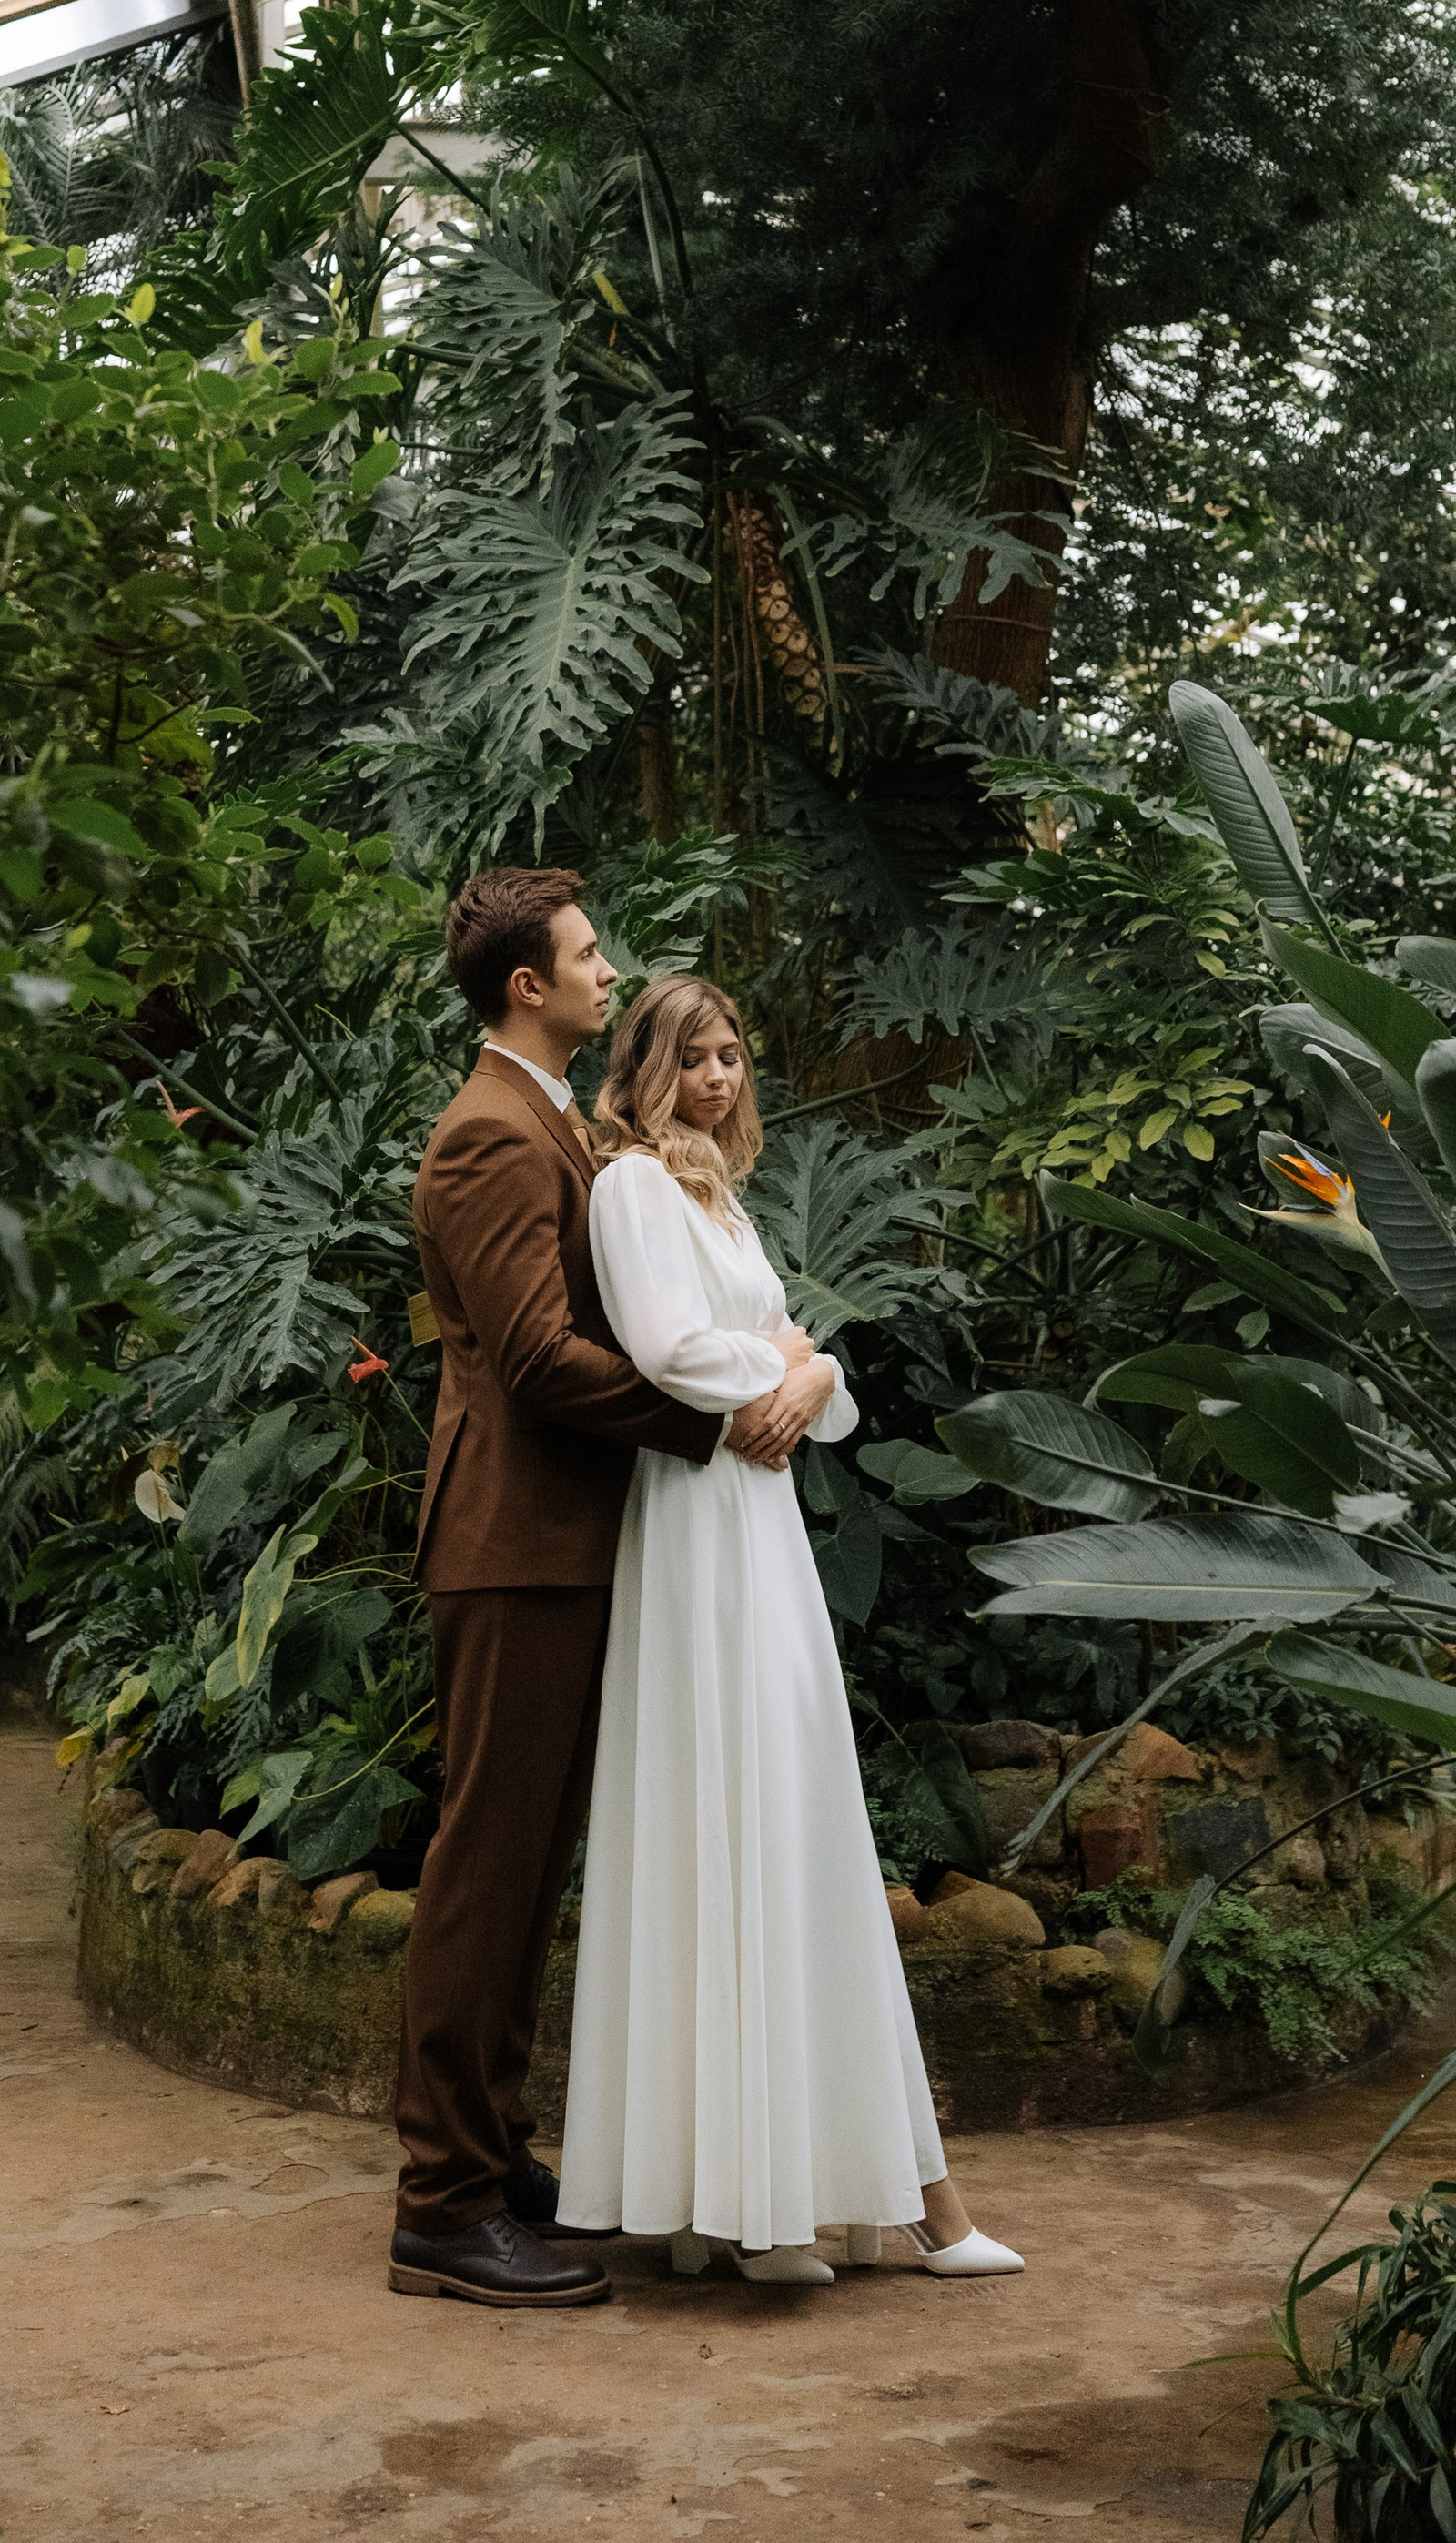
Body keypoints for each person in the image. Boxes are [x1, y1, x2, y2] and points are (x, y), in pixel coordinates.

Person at [556, 972, 1023, 2286]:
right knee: (733, 1813)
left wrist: (814, 1373)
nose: (720, 1077)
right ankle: (750, 2208)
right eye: (696, 1056)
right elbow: (670, 1353)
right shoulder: (633, 1187)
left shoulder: (720, 1195)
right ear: (649, 1066)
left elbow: (806, 1390)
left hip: (757, 1522)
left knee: (794, 1814)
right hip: (699, 1519)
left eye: (733, 1055)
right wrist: (794, 1364)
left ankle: (792, 2197)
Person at [388, 873, 810, 2308]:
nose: (608, 971)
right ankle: (442, 2203)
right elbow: (535, 1360)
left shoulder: (553, 1122)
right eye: (586, 956)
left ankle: (493, 2152)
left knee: (525, 1869)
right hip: (512, 1541)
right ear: (528, 986)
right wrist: (720, 1414)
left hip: (564, 1540)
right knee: (486, 1868)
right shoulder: (489, 1135)